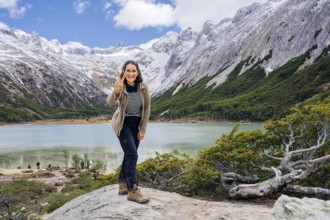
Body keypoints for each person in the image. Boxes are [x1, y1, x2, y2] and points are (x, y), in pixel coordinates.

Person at [107, 60, 151, 204]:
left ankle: (122, 182)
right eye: (128, 71)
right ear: (124, 72)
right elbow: (110, 103)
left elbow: (146, 109)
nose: (131, 73)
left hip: (136, 125)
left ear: (137, 72)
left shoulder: (143, 88)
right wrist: (117, 91)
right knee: (132, 153)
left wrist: (142, 129)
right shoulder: (121, 86)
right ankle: (132, 189)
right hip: (123, 124)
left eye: (134, 71)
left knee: (129, 154)